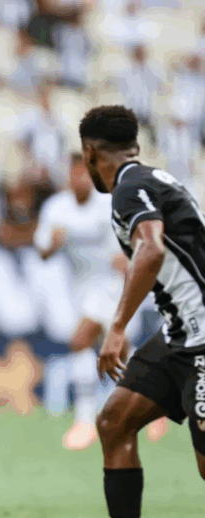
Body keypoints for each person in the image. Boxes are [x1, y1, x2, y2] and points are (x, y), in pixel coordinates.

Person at [59, 105, 205, 518]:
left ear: (89, 154)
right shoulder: (150, 179)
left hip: (201, 336)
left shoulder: (128, 187)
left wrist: (117, 326)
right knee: (115, 420)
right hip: (179, 333)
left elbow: (152, 247)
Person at [34, 153, 167, 449]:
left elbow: (131, 246)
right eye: (74, 173)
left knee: (80, 340)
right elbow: (42, 251)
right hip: (79, 289)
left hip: (112, 285)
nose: (78, 179)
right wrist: (53, 244)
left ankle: (85, 422)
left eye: (84, 173)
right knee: (118, 351)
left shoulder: (108, 205)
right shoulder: (57, 208)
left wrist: (129, 262)